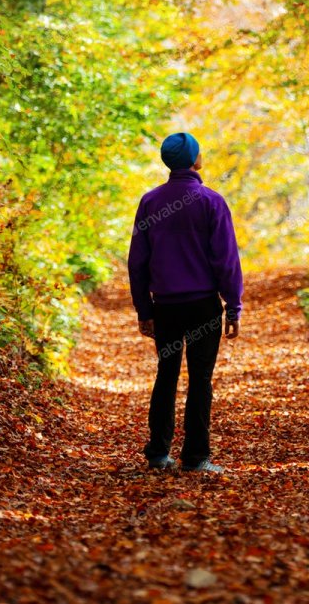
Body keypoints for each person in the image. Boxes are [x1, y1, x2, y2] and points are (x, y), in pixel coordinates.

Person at [127, 132, 243, 474]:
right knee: (200, 380)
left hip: (165, 307)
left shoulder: (150, 202)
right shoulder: (211, 202)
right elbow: (226, 260)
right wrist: (233, 306)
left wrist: (144, 310)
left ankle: (159, 454)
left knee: (166, 375)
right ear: (194, 159)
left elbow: (137, 262)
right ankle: (195, 458)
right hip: (203, 306)